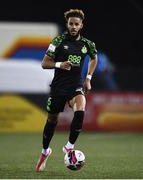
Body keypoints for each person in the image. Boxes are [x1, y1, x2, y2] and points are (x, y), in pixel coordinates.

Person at [36, 9, 98, 172]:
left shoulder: (87, 44)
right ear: (67, 24)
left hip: (75, 86)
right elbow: (44, 63)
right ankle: (45, 152)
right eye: (71, 24)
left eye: (76, 24)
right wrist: (59, 64)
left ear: (81, 26)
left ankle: (69, 147)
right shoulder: (58, 41)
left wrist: (88, 78)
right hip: (58, 87)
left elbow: (94, 58)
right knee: (52, 121)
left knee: (81, 108)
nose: (73, 26)